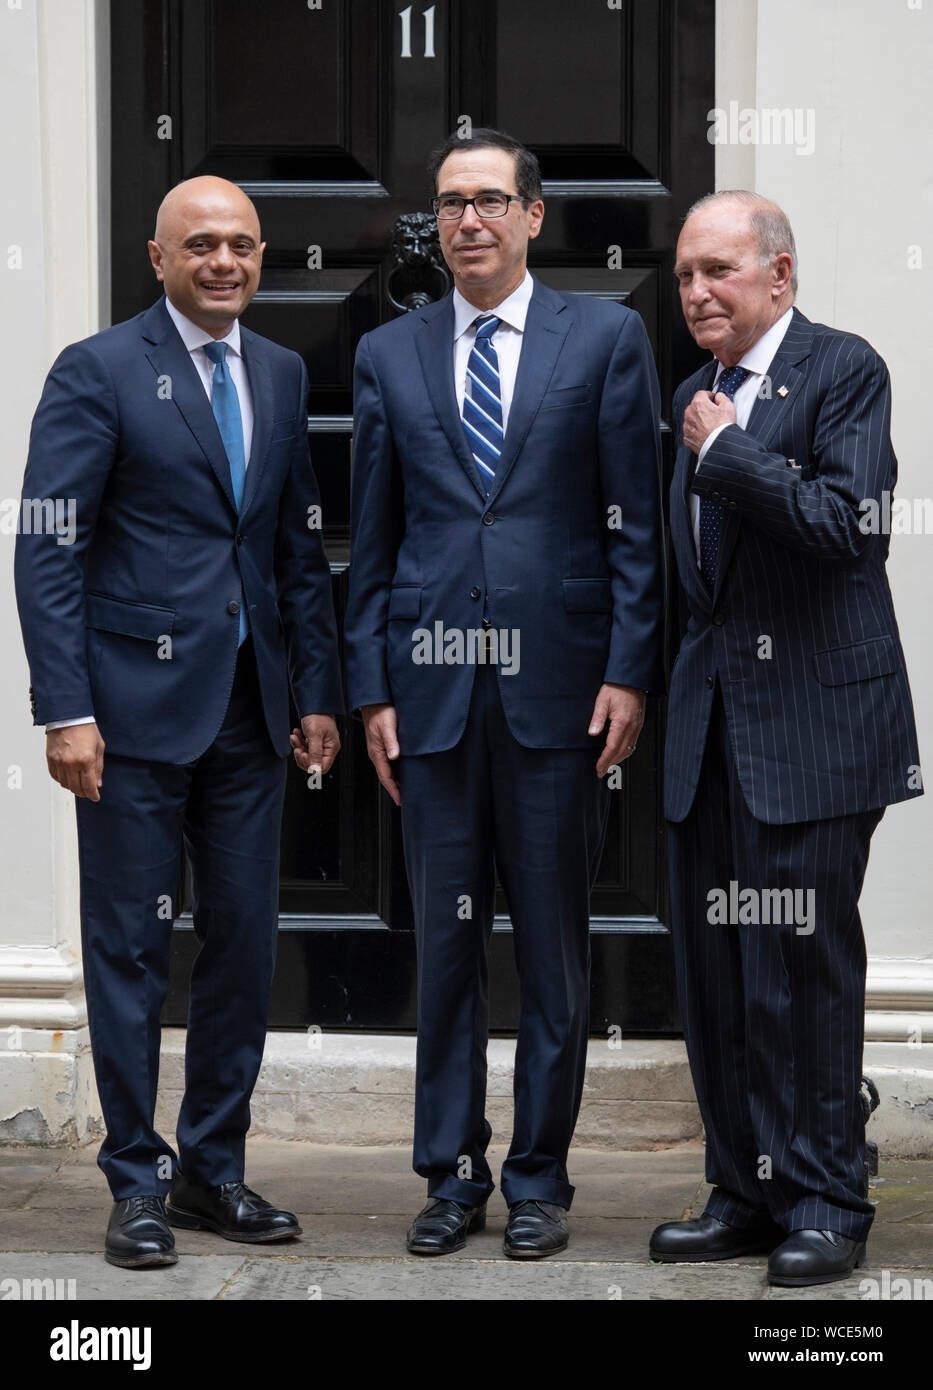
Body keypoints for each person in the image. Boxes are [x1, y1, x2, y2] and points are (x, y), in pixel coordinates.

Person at [345, 128, 665, 1258]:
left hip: (562, 695)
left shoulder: (608, 339)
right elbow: (372, 540)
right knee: (445, 947)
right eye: (448, 205)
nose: (466, 222)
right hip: (430, 700)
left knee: (552, 951)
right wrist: (371, 686)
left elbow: (638, 525)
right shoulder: (390, 355)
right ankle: (449, 1172)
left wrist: (630, 668)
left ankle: (538, 1177)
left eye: (488, 200)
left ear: (533, 214)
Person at [15, 176, 343, 1269]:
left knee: (243, 948)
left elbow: (296, 548)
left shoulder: (285, 373)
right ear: (156, 259)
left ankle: (214, 1171)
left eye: (242, 245)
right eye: (200, 244)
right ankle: (135, 1183)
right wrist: (65, 708)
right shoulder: (97, 370)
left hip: (251, 716)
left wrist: (317, 695)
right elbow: (47, 545)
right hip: (129, 719)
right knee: (129, 951)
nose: (225, 262)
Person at [650, 191, 923, 1286]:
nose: (698, 293)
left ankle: (825, 1197)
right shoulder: (693, 394)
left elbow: (848, 530)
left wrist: (730, 457)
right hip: (708, 731)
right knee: (716, 973)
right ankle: (746, 1190)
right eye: (683, 277)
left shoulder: (843, 371)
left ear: (780, 275)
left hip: (815, 730)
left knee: (802, 973)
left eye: (719, 271)